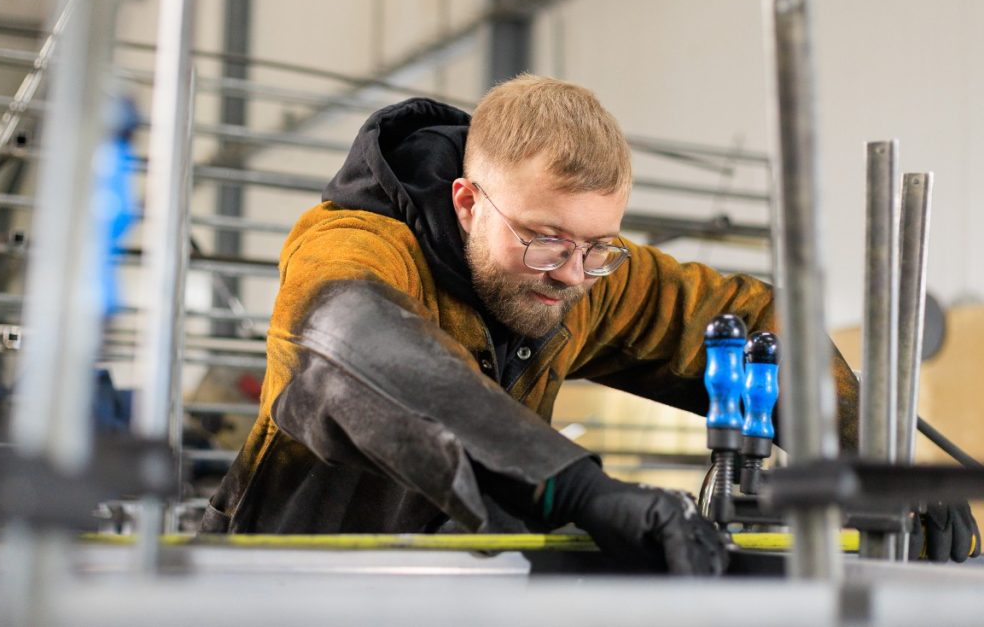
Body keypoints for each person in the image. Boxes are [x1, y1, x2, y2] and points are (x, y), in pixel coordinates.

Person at [199, 74, 974, 573]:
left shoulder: (578, 268)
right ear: (467, 202)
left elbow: (746, 321)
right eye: (544, 239)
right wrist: (577, 487)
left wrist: (873, 461)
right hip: (276, 587)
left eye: (598, 245)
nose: (572, 274)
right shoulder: (351, 245)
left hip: (446, 587)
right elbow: (355, 344)